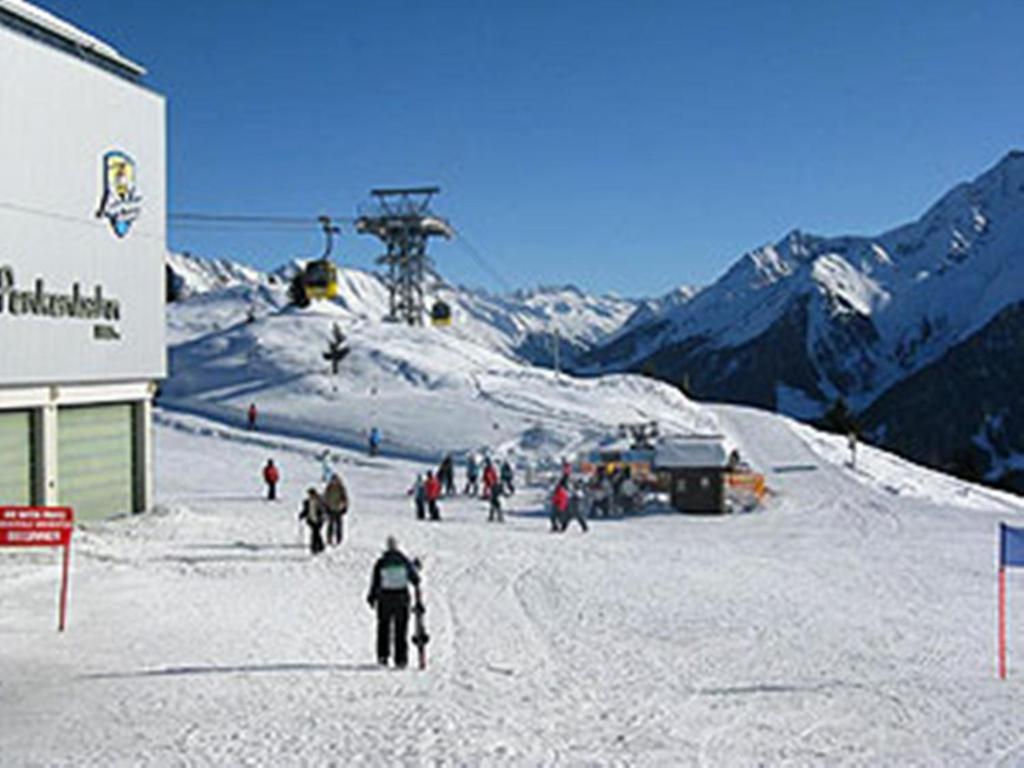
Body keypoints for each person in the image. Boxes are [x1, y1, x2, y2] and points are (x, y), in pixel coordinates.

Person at [367, 536, 420, 668]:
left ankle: (383, 656)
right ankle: (401, 659)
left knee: (383, 627)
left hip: (384, 598)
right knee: (401, 629)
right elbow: (415, 579)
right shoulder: (404, 561)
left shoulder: (381, 562)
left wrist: (372, 597)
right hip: (401, 598)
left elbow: (376, 581)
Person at [299, 488, 326, 555]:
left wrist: (321, 516)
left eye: (311, 494)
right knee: (316, 533)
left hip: (319, 520)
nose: (310, 496)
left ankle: (314, 548)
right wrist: (302, 515)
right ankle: (320, 546)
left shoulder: (319, 501)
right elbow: (306, 510)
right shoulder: (307, 502)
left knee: (315, 533)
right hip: (311, 520)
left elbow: (323, 510)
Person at [323, 473, 349, 546]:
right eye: (333, 480)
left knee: (338, 525)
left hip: (338, 509)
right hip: (331, 508)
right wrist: (325, 507)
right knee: (330, 525)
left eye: (335, 480)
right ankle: (329, 539)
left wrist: (344, 507)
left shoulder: (341, 488)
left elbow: (345, 499)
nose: (334, 482)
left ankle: (339, 539)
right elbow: (325, 497)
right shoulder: (329, 488)